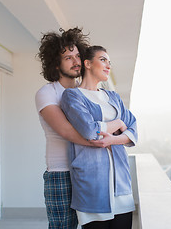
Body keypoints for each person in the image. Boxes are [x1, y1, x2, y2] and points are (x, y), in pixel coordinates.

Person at [35, 28, 113, 229]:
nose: (76, 61)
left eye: (78, 55)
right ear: (56, 63)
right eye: (68, 57)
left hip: (90, 170)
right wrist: (104, 141)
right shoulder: (47, 93)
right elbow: (67, 132)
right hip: (62, 172)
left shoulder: (88, 92)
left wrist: (109, 136)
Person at [60, 45, 138, 229]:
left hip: (121, 183)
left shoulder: (113, 97)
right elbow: (89, 130)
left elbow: (133, 129)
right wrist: (118, 124)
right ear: (87, 63)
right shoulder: (72, 96)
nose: (108, 66)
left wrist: (112, 139)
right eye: (103, 60)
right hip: (92, 184)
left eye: (109, 62)